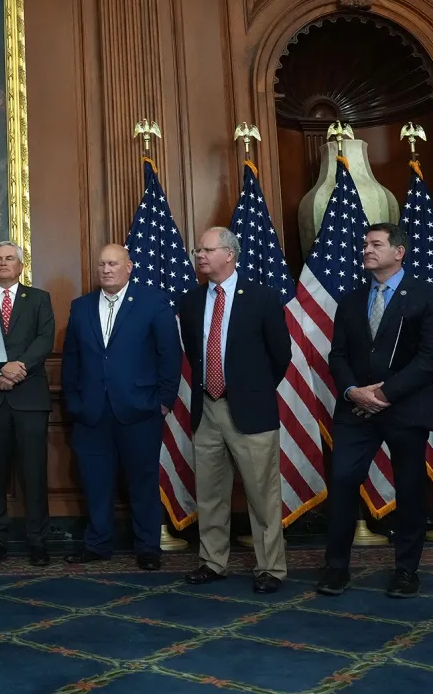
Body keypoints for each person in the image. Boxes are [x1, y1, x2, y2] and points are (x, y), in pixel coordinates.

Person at [319, 223, 433, 599]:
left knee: (409, 490)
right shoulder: (351, 300)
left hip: (405, 409)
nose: (366, 249)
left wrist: (384, 394)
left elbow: (431, 359)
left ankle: (406, 570)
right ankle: (336, 567)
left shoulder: (427, 295)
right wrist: (353, 391)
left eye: (376, 244)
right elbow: (338, 356)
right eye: (365, 244)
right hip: (356, 410)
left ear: (399, 252)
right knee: (342, 482)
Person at [179, 227, 291, 594]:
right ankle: (213, 561)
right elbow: (195, 353)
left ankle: (270, 568)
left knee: (262, 494)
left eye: (207, 250)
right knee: (210, 492)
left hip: (250, 410)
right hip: (207, 408)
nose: (200, 256)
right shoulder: (191, 301)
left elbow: (281, 355)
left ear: (229, 254)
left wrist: (252, 391)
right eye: (198, 251)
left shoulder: (262, 297)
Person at [62, 243, 181, 569]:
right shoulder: (81, 306)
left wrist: (164, 402)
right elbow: (71, 360)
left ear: (129, 267)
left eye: (113, 264)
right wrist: (74, 403)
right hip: (91, 413)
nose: (106, 270)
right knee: (95, 482)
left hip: (141, 410)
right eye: (102, 264)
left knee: (142, 481)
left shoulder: (153, 301)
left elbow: (170, 355)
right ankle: (97, 543)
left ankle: (148, 548)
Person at [0, 240, 56, 567]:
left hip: (30, 398)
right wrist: (0, 370)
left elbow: (45, 340)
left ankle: (38, 541)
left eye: (10, 258)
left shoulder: (39, 298)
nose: (3, 263)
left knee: (34, 473)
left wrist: (18, 368)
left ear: (21, 266)